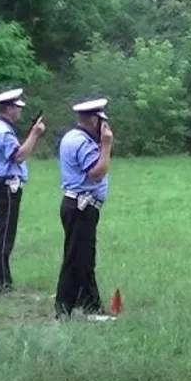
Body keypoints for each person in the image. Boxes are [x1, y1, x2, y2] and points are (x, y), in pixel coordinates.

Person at [54, 98, 115, 322]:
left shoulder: (72, 137)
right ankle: (63, 309)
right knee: (75, 259)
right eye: (101, 121)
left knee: (84, 258)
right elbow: (96, 172)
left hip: (79, 205)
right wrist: (106, 146)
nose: (105, 127)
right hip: (81, 206)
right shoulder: (82, 142)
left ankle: (91, 306)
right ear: (92, 119)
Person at [0, 88, 45, 293]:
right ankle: (2, 282)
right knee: (4, 235)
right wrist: (34, 134)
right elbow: (18, 156)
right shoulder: (4, 132)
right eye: (17, 108)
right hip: (7, 188)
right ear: (9, 109)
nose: (19, 112)